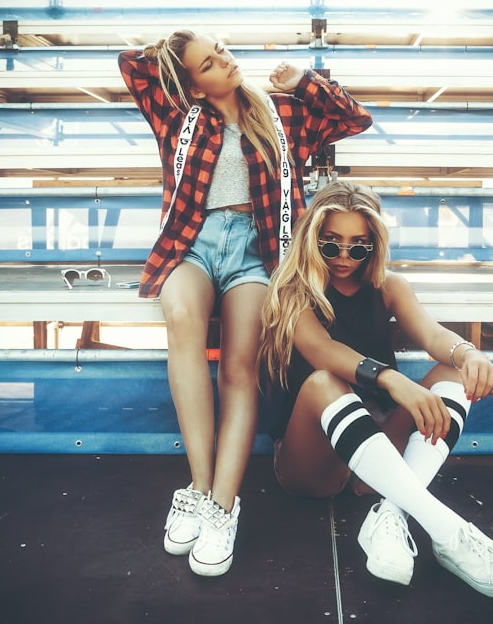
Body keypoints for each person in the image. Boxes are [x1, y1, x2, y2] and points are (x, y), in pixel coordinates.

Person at [118, 31, 371, 577]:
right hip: (193, 244)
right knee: (181, 318)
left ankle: (224, 506)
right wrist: (168, 47)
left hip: (259, 254)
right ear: (191, 82)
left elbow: (355, 119)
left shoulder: (283, 113)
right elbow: (133, 67)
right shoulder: (177, 117)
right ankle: (199, 486)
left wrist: (303, 81)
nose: (225, 63)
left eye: (223, 51)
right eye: (208, 63)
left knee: (239, 365)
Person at [258, 180, 493, 598]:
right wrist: (391, 379)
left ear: (374, 245)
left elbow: (430, 333)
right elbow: (322, 351)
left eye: (359, 245)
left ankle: (390, 512)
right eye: (331, 244)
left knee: (455, 373)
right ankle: (448, 531)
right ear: (311, 239)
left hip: (376, 449)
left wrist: (467, 353)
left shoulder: (388, 287)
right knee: (324, 382)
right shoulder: (292, 291)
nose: (345, 257)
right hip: (312, 464)